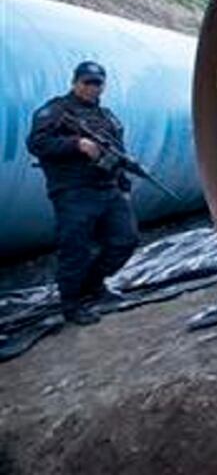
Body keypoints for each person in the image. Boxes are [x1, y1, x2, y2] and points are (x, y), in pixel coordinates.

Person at [26, 61, 139, 326]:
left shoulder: (108, 117)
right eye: (87, 82)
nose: (92, 88)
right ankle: (71, 304)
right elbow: (36, 144)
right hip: (73, 192)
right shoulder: (55, 110)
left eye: (97, 83)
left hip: (107, 189)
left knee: (126, 239)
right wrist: (76, 143)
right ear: (75, 82)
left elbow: (117, 156)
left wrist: (124, 187)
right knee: (75, 249)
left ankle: (93, 284)